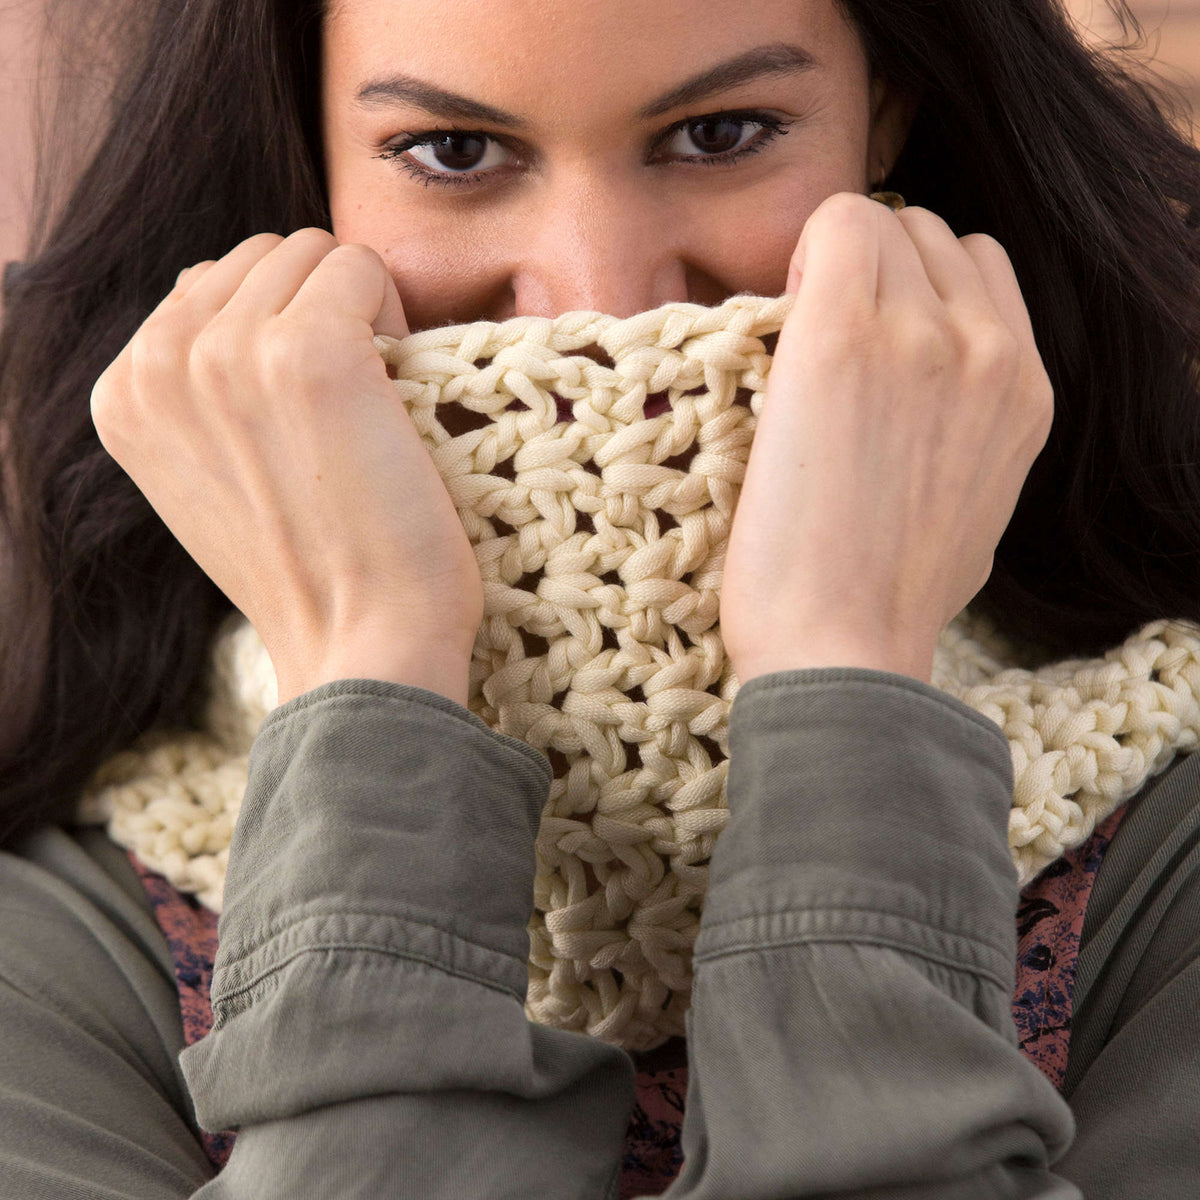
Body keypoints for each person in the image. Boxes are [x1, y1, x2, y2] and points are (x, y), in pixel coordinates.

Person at [1, 0, 1199, 1195]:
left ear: (882, 120)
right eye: (454, 152)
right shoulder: (55, 953)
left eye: (722, 132)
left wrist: (844, 667)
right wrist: (373, 665)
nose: (600, 298)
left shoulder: (1168, 857)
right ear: (306, 176)